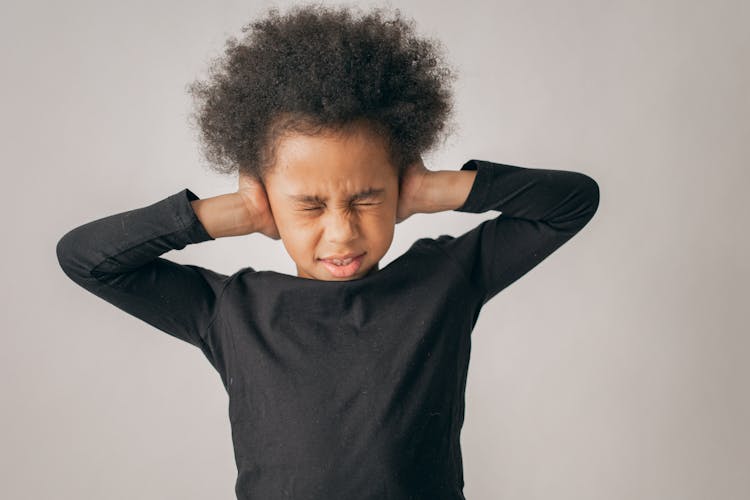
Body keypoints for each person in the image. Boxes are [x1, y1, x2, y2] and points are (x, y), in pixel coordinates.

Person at [55, 4, 600, 499]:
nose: (341, 233)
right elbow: (86, 259)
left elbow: (572, 203)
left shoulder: (446, 280)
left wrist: (437, 189)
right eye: (310, 206)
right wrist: (232, 214)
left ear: (399, 185)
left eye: (367, 199)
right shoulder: (231, 311)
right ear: (266, 198)